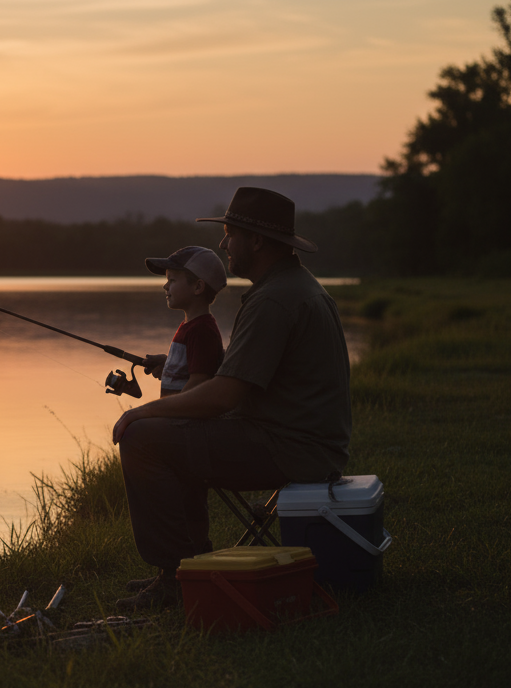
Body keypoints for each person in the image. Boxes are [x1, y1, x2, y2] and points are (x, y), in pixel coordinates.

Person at [112, 187, 352, 611]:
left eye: (230, 234)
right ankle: (190, 566)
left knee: (144, 438)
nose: (223, 244)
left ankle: (175, 577)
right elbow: (237, 374)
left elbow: (223, 395)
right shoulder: (293, 286)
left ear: (256, 241)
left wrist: (143, 411)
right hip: (304, 440)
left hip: (291, 448)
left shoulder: (273, 300)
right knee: (169, 431)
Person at [139, 246, 228, 399]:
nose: (165, 286)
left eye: (172, 280)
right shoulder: (190, 325)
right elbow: (193, 368)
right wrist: (169, 366)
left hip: (181, 418)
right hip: (174, 414)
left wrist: (161, 410)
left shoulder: (202, 330)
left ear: (198, 287)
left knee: (133, 422)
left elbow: (199, 384)